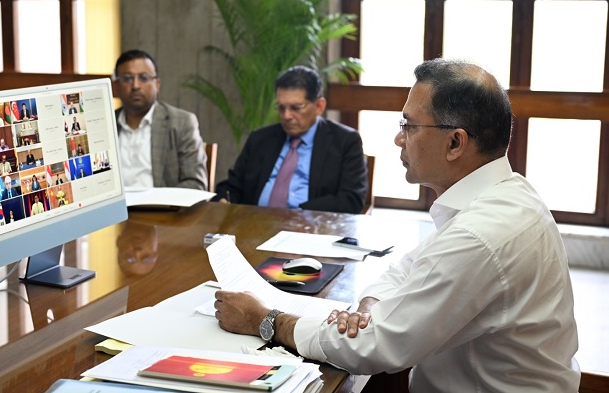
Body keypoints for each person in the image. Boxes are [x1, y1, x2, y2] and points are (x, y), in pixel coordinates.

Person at [213, 59, 580, 392]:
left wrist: (264, 319)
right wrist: (368, 307)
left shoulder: (480, 234)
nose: (398, 138)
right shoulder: (507, 194)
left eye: (409, 125)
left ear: (455, 142)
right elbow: (408, 268)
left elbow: (374, 347)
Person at [214, 65, 367, 214]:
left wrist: (298, 214)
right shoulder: (260, 139)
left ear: (319, 106)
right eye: (281, 108)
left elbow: (351, 200)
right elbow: (232, 187)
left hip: (311, 225)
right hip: (255, 223)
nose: (286, 116)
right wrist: (224, 199)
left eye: (296, 107)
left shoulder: (344, 141)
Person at [113, 49, 207, 190]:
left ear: (157, 84)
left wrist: (157, 200)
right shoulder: (103, 125)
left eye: (144, 78)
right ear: (115, 86)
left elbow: (195, 184)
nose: (136, 86)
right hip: (115, 204)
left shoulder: (182, 123)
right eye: (127, 78)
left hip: (162, 204)